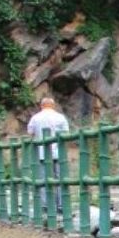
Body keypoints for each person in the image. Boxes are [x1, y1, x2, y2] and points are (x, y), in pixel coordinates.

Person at [26, 95, 73, 223]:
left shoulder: (35, 118)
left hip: (41, 153)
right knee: (59, 179)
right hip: (58, 153)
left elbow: (30, 133)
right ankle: (61, 206)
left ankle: (45, 206)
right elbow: (66, 134)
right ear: (53, 105)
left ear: (42, 105)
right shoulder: (60, 117)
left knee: (43, 180)